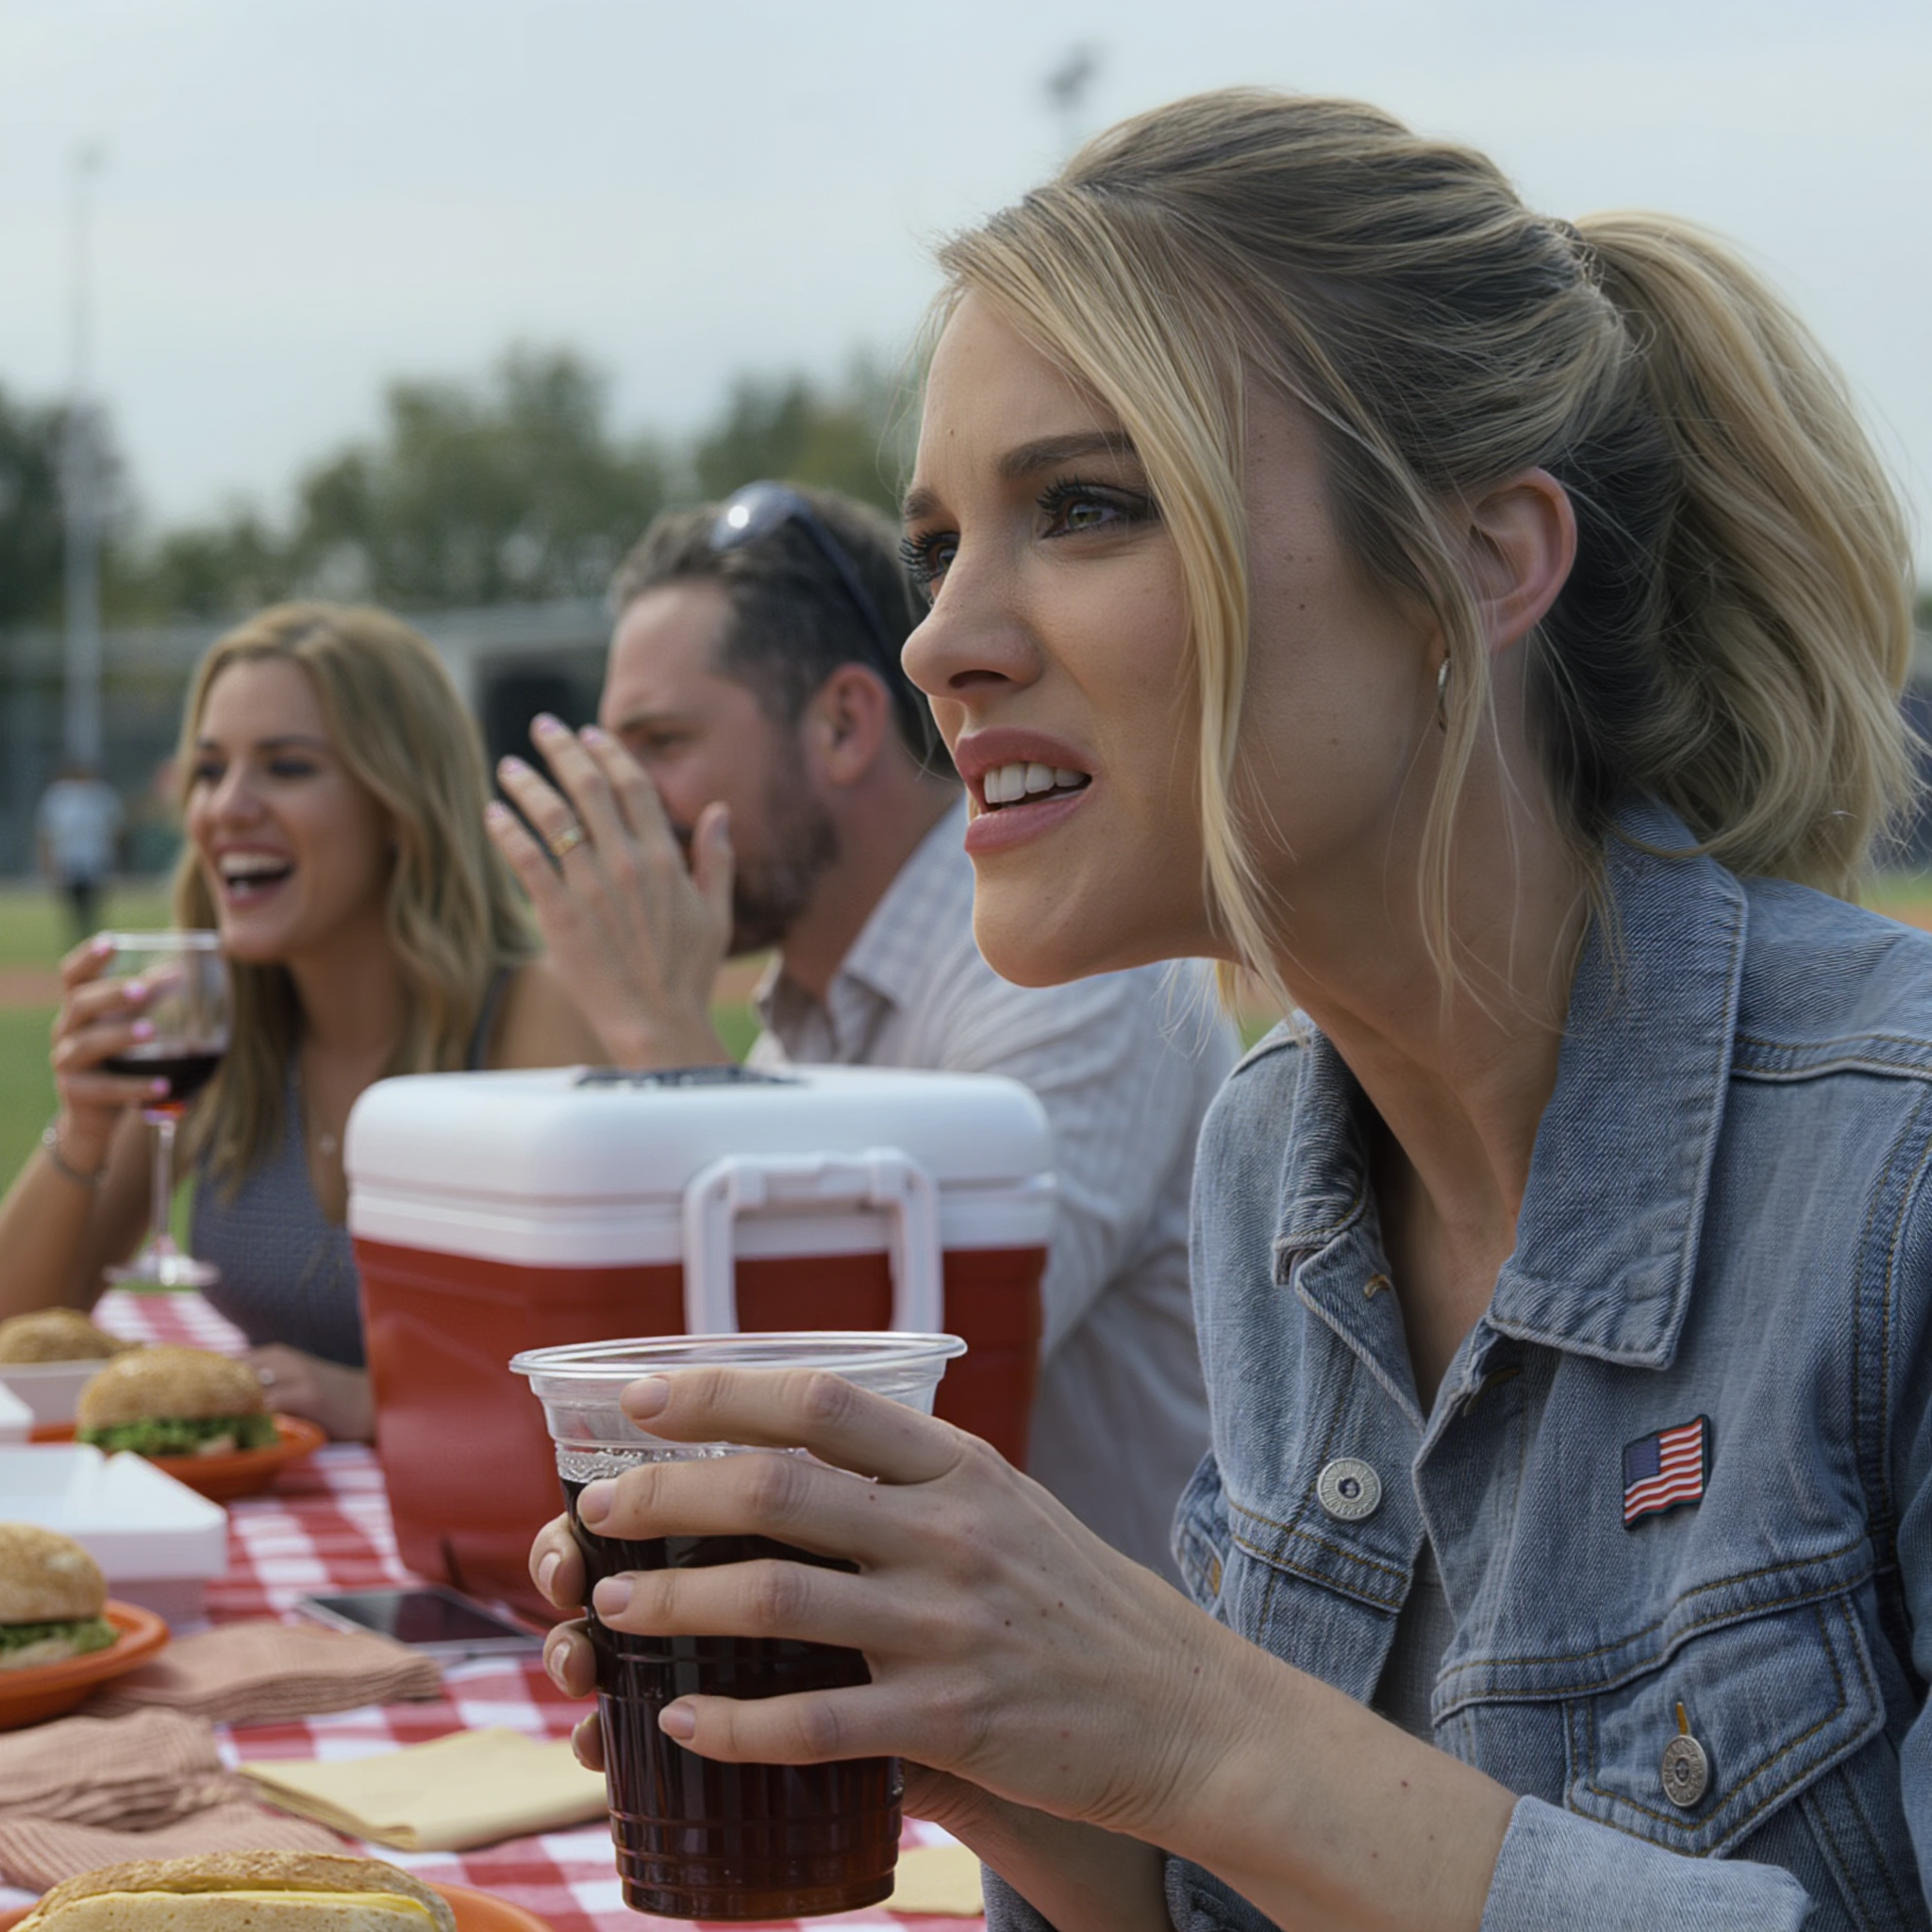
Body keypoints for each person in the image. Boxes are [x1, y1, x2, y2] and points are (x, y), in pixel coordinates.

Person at [527, 89, 1931, 1931]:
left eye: (1085, 506)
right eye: (938, 540)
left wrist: (1193, 1722)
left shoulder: (1888, 1174)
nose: (941, 634)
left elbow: (1253, 1776)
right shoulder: (1277, 1154)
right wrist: (995, 1736)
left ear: (1479, 568)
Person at [486, 481, 1238, 1579]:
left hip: (1105, 1716)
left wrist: (655, 1028)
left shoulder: (1073, 967)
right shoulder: (802, 1010)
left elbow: (873, 1405)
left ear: (843, 723)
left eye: (659, 742)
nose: (624, 801)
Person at [0, 604, 604, 1441]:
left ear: (399, 807)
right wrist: (83, 1128)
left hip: (486, 1548)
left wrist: (375, 1401)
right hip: (266, 1537)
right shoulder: (216, 1028)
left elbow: (614, 1372)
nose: (226, 809)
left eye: (285, 767)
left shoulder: (527, 1020)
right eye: (209, 771)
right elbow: (19, 1338)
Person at [35, 764, 123, 944]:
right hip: (69, 860)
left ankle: (91, 938)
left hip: (94, 858)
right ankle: (78, 939)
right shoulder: (59, 796)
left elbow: (115, 828)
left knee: (93, 904)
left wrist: (114, 856)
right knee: (72, 905)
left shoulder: (100, 795)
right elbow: (47, 832)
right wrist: (48, 861)